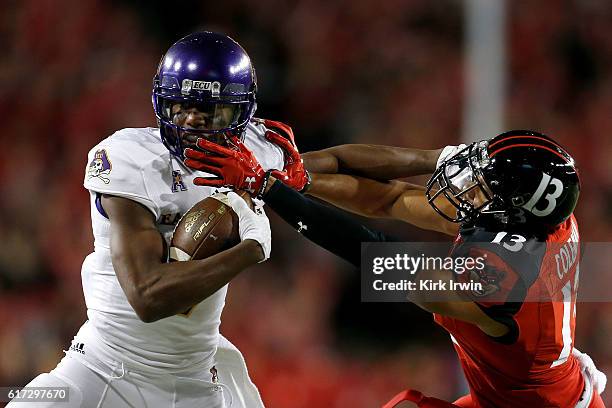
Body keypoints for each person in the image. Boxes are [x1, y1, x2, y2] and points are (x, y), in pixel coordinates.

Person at [184, 129, 607, 407]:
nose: (469, 186)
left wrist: (268, 188)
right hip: (532, 392)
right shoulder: (543, 223)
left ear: (510, 213)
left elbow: (377, 257)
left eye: (484, 187)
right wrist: (299, 175)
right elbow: (391, 197)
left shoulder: (497, 278)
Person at [8, 31, 285, 408]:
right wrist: (251, 249)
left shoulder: (253, 156)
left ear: (239, 114)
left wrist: (395, 171)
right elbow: (147, 297)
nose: (191, 122)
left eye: (210, 111)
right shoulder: (130, 158)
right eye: (180, 106)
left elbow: (339, 167)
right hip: (104, 368)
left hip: (194, 381)